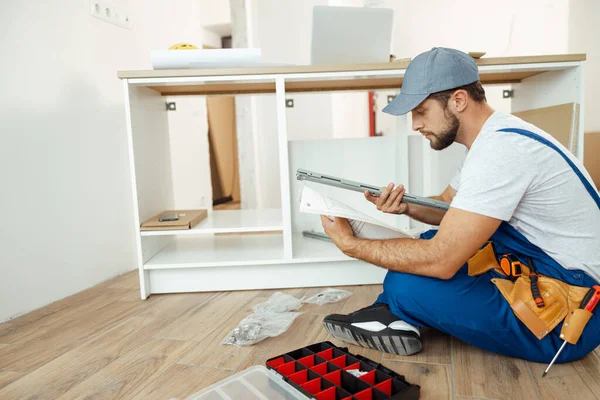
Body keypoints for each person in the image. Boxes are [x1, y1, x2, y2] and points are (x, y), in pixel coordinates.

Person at [320, 47, 600, 363]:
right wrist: (406, 206)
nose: (415, 124)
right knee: (422, 249)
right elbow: (448, 205)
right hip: (540, 274)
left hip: (569, 311)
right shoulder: (495, 137)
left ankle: (398, 310)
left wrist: (350, 245)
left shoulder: (500, 152)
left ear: (458, 100)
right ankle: (395, 313)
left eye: (421, 111)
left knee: (409, 278)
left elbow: (441, 261)